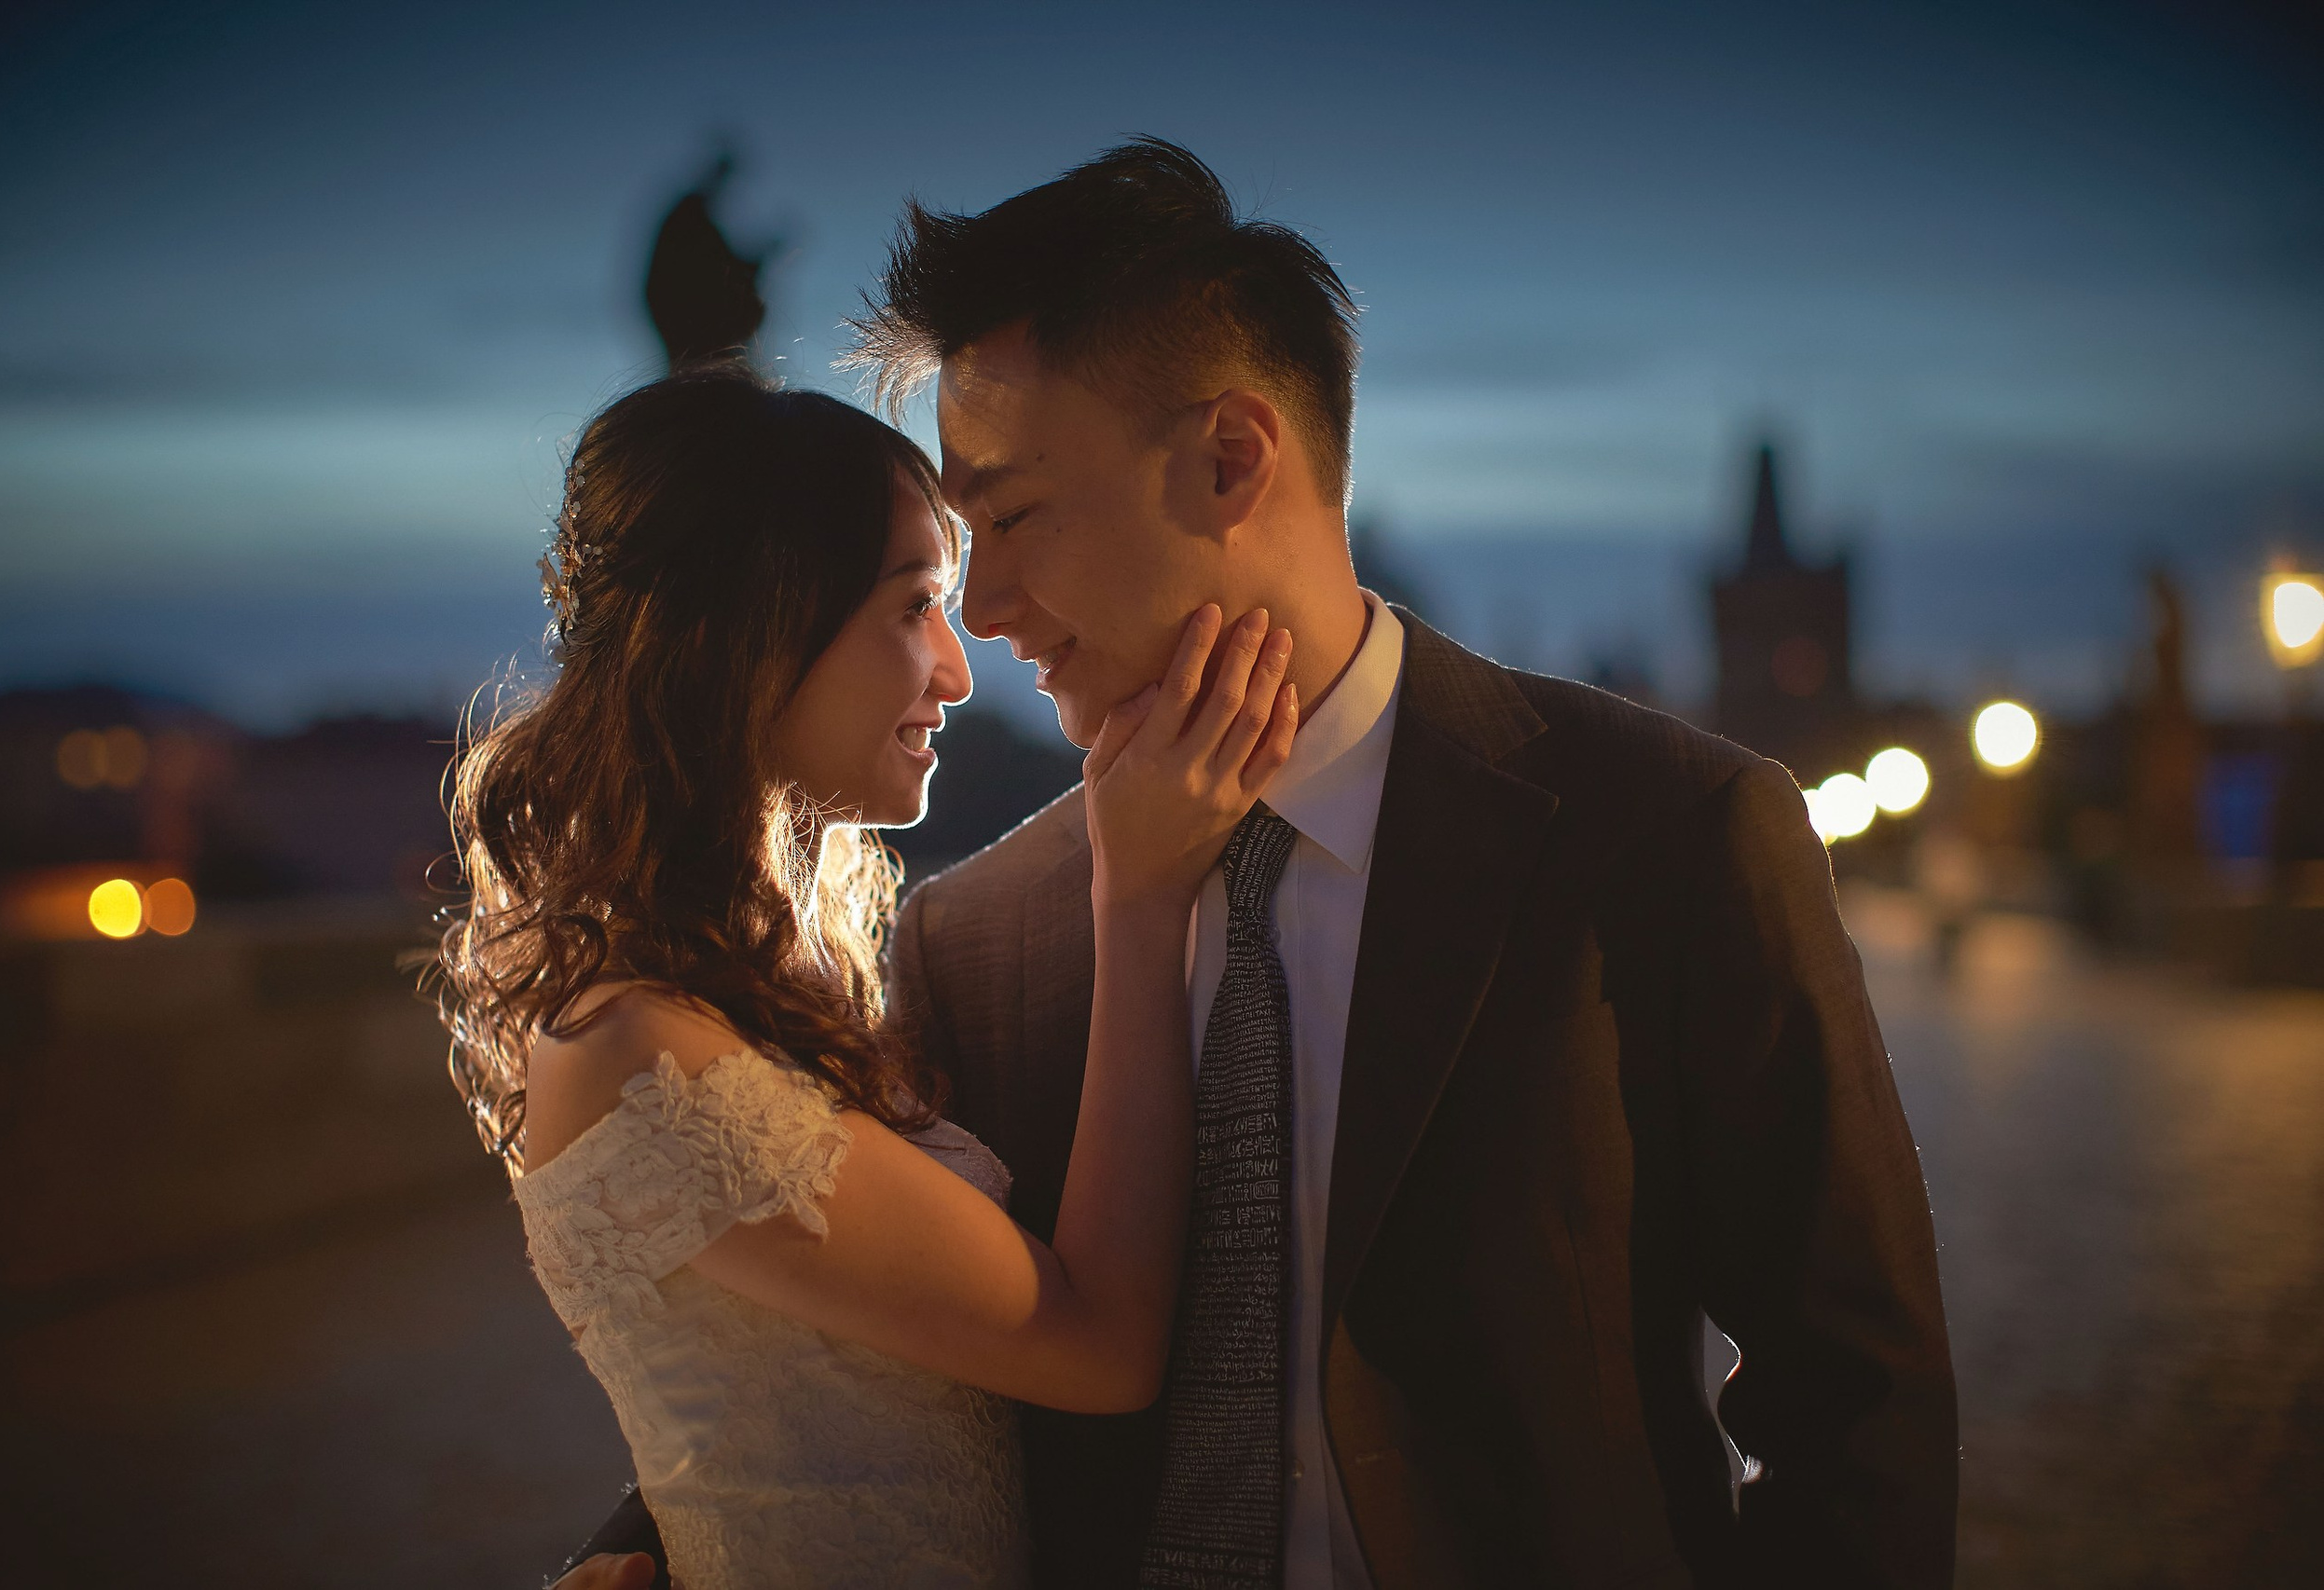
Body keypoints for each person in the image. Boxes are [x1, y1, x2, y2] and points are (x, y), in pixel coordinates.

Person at [569, 138, 1958, 1588]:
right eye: (961, 543)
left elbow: (1859, 1409)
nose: (982, 610)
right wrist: (656, 1547)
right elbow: (859, 1332)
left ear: (1232, 458)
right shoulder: (975, 936)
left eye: (1015, 517)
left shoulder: (1668, 834)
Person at [439, 364, 1299, 1588]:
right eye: (915, 606)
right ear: (755, 633)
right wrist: (1141, 898)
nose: (956, 668)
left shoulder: (765, 979)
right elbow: (1100, 1348)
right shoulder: (640, 1052)